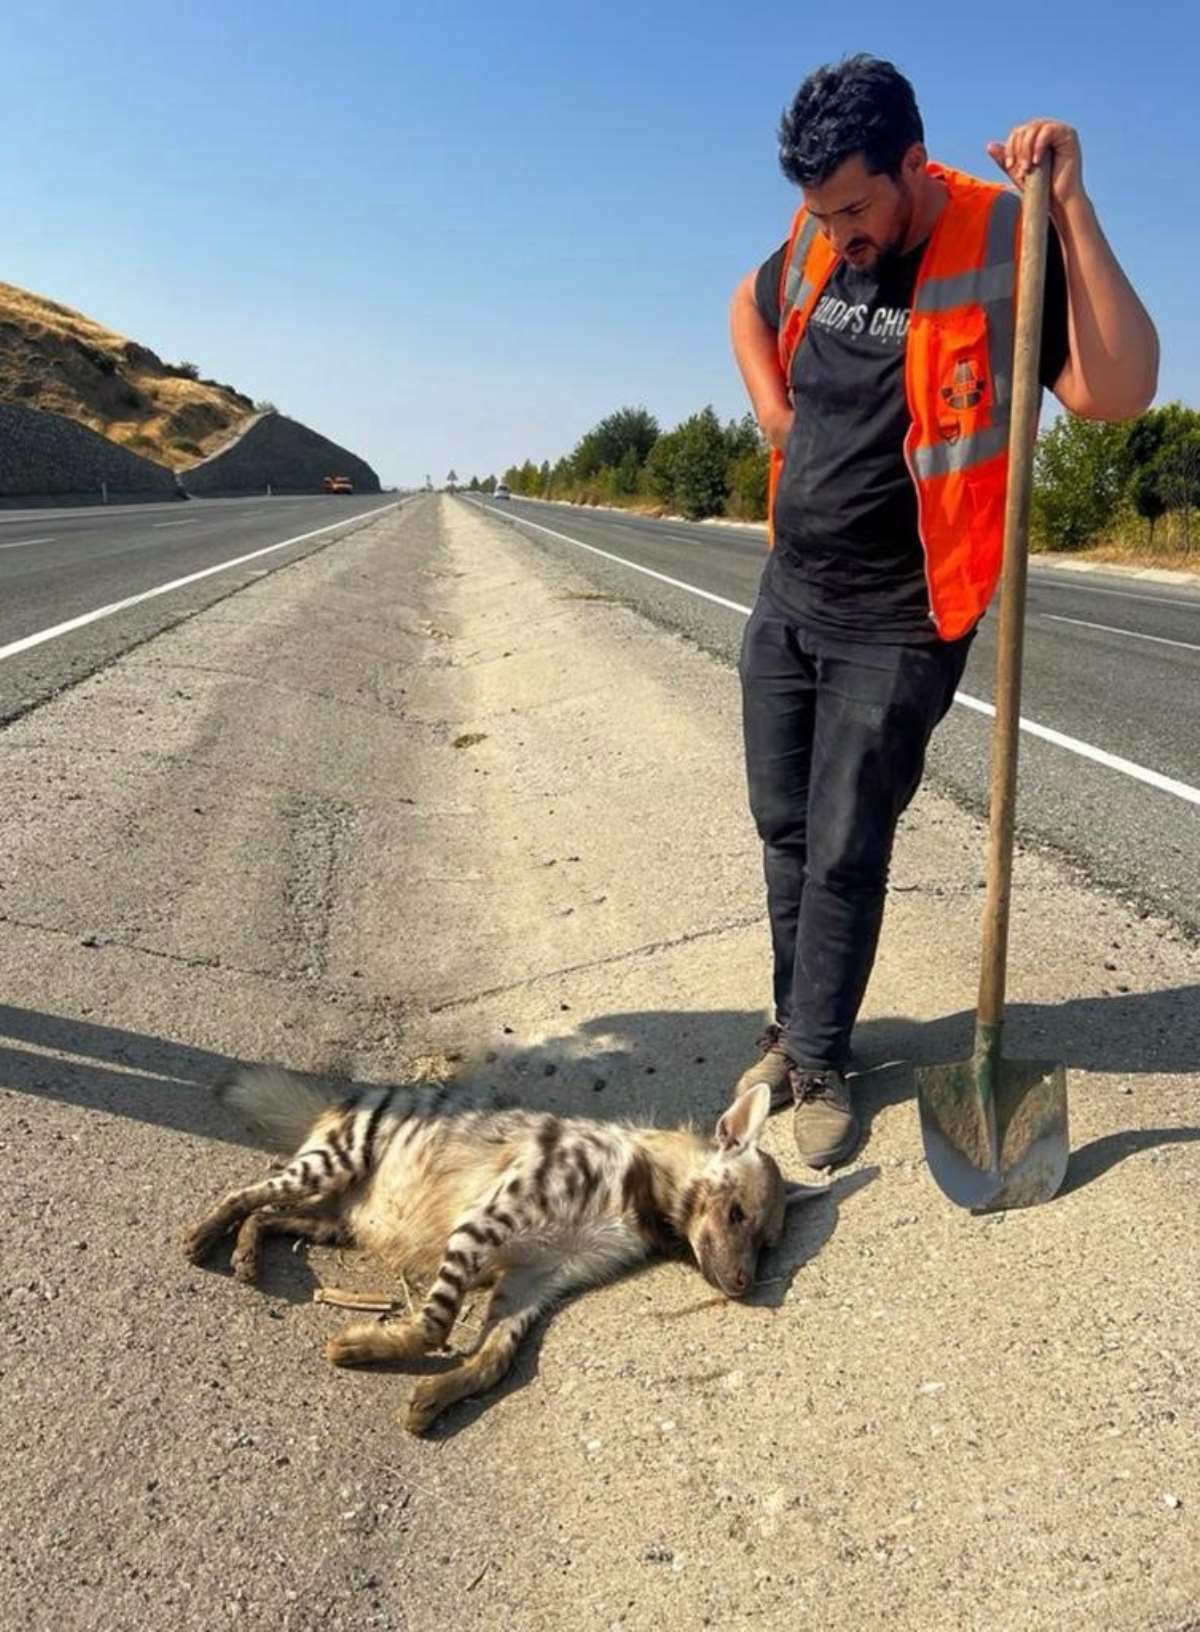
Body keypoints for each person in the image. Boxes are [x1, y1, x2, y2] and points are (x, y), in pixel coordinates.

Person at [729, 55, 1158, 1168]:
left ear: (914, 164)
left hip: (906, 611)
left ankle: (820, 1061)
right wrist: (775, 415)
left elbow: (1117, 390)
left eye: (858, 208)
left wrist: (1065, 206)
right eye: (823, 214)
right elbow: (748, 299)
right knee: (784, 828)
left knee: (843, 841)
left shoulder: (1006, 248)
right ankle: (794, 1027)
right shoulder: (820, 237)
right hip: (791, 588)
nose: (840, 233)